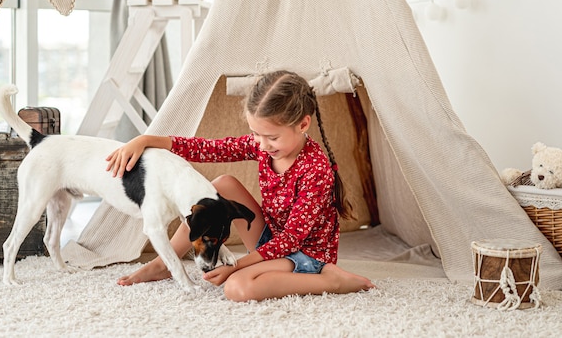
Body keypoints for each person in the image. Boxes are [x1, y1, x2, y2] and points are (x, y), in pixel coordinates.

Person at [106, 70, 375, 302]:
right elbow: (208, 149)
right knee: (222, 185)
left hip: (304, 254)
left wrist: (237, 265)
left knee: (237, 287)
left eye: (271, 137)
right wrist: (147, 140)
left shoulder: (315, 169)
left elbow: (292, 239)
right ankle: (164, 263)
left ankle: (332, 281)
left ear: (303, 124)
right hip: (273, 239)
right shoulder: (263, 146)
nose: (262, 144)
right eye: (256, 134)